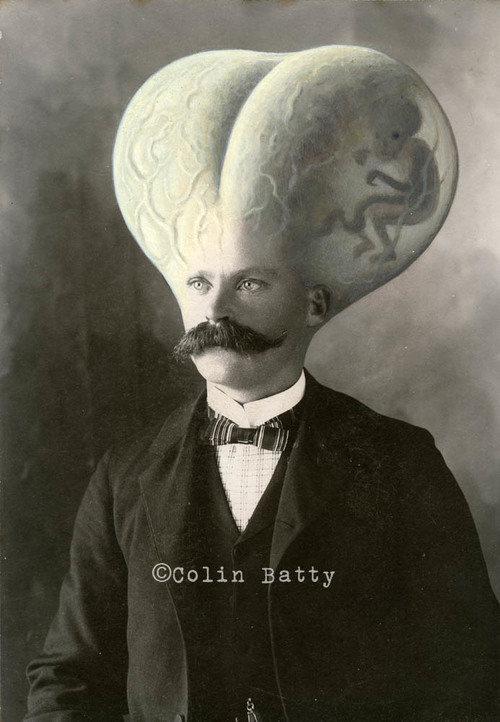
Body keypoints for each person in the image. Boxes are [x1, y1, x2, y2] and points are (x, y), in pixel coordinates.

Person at [25, 46, 499, 722]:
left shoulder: (399, 464)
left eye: (249, 283)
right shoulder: (123, 476)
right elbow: (70, 676)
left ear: (314, 304)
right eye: (199, 283)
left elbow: (472, 674)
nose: (214, 311)